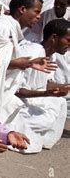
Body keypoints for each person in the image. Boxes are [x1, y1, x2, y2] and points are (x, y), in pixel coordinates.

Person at [9, 19, 69, 152]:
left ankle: (42, 139)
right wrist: (45, 94)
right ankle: (18, 134)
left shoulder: (50, 56)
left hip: (32, 98)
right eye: (68, 40)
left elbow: (45, 83)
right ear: (54, 37)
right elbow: (17, 90)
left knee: (60, 103)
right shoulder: (32, 52)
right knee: (45, 116)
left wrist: (64, 87)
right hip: (15, 100)